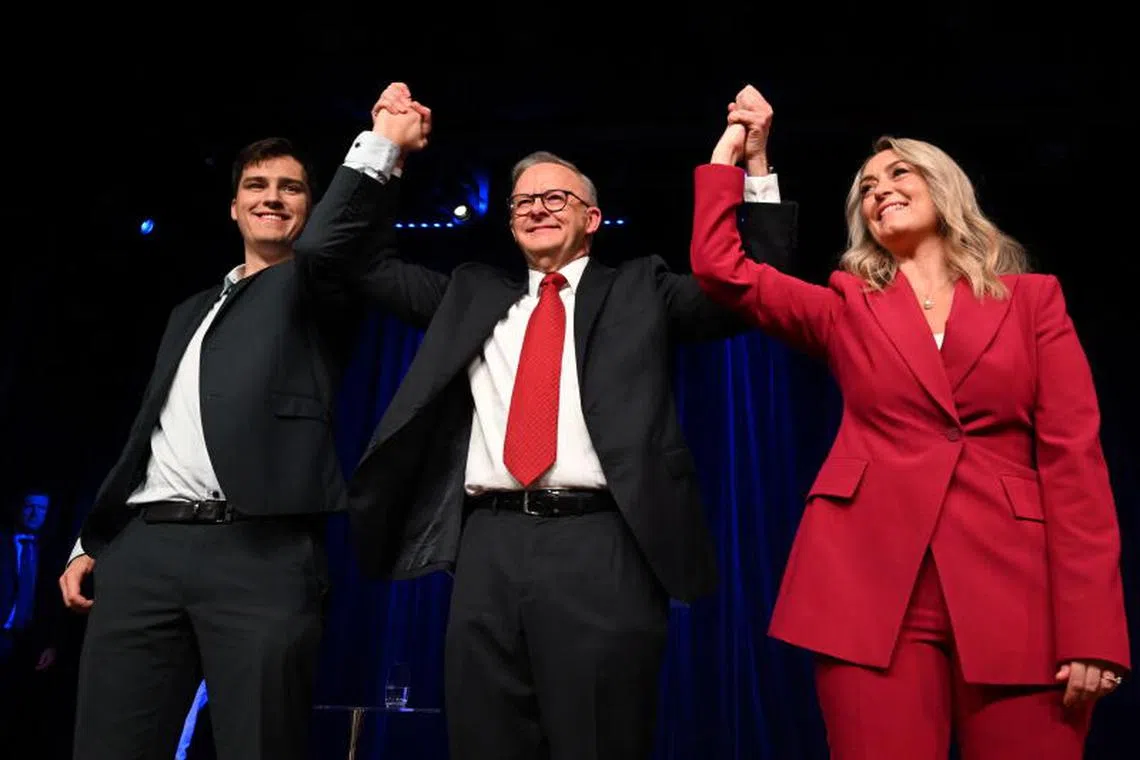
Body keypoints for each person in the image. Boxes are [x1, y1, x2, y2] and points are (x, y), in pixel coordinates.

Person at [291, 82, 795, 760]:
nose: (536, 209)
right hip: (487, 548)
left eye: (555, 197)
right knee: (482, 739)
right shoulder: (468, 293)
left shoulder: (641, 289)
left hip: (602, 545)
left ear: (591, 217)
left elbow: (754, 288)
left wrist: (752, 167)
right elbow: (333, 253)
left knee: (597, 739)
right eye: (523, 201)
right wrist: (383, 145)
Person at [689, 85, 1130, 759]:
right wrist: (741, 158)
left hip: (1017, 593)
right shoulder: (847, 307)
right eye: (867, 186)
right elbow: (725, 269)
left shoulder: (1032, 302)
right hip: (870, 595)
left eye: (900, 173)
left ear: (946, 190)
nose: (880, 189)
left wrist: (1093, 631)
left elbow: (1076, 465)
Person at [58, 137, 369, 760]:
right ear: (233, 207)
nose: (272, 198)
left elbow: (337, 236)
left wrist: (379, 147)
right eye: (257, 186)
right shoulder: (189, 311)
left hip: (260, 549)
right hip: (145, 547)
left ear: (311, 208)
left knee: (259, 743)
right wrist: (92, 539)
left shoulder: (318, 290)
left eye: (291, 188)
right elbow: (149, 428)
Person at [1, 492, 66, 756]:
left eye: (41, 509)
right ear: (19, 507)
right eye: (29, 506)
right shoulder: (4, 542)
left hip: (27, 643)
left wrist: (51, 643)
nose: (34, 514)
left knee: (16, 712)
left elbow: (54, 604)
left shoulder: (50, 552)